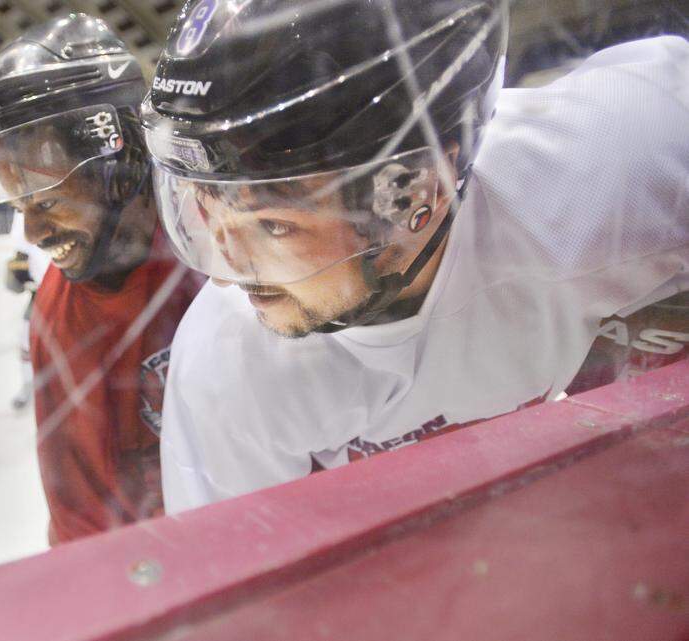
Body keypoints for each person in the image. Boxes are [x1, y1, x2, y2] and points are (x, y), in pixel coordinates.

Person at [140, 0, 689, 513]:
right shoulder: (228, 364)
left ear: (418, 192)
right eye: (205, 212)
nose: (225, 273)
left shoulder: (610, 173)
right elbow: (238, 583)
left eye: (272, 224)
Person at [0, 14, 203, 543]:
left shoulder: (226, 234)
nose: (31, 232)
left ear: (118, 167)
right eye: (19, 207)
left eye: (47, 202)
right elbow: (84, 512)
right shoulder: (63, 313)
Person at [5, 211, 50, 411]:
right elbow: (14, 285)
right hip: (39, 298)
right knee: (25, 341)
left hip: (70, 295)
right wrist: (16, 273)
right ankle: (27, 385)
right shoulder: (23, 250)